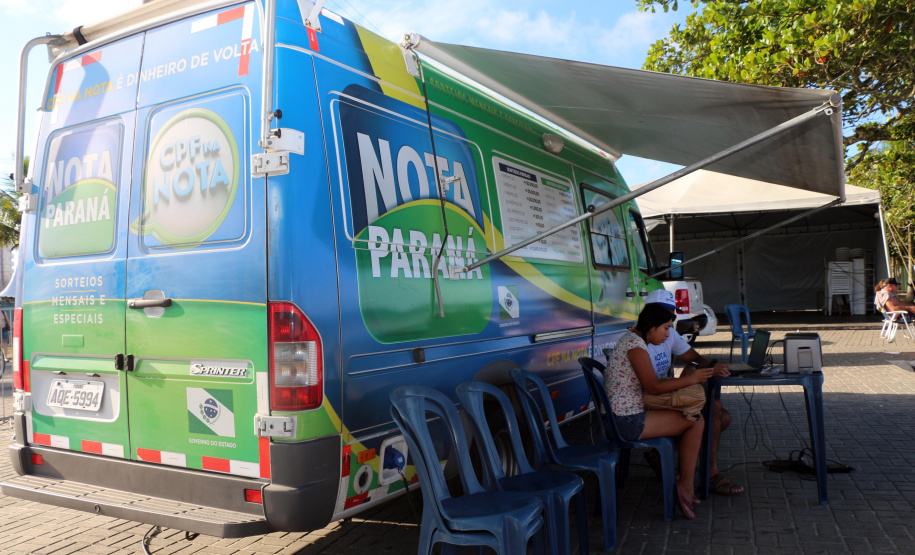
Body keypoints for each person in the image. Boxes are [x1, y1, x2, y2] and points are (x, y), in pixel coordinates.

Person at [605, 303, 712, 519]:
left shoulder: (633, 340)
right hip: (627, 422)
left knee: (692, 416)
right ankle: (685, 485)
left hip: (625, 414)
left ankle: (683, 481)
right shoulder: (635, 346)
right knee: (695, 419)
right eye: (665, 328)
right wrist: (691, 379)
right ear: (651, 326)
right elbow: (653, 387)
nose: (667, 334)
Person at [643, 289, 744, 496]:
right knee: (711, 412)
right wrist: (693, 376)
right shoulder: (638, 343)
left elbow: (694, 358)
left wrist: (712, 368)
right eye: (668, 313)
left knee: (722, 417)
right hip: (649, 399)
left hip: (662, 393)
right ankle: (709, 476)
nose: (672, 319)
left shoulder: (667, 332)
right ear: (651, 316)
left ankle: (660, 455)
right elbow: (651, 388)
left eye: (673, 314)